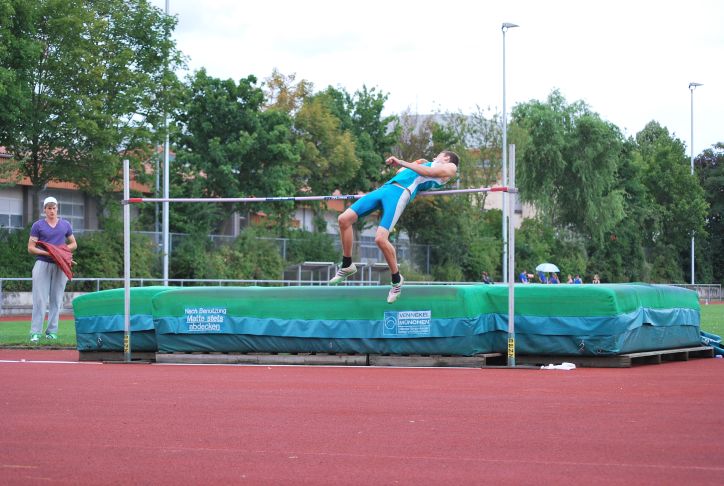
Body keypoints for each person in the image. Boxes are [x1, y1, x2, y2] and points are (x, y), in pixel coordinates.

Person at [329, 151, 459, 303]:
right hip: (385, 188)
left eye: (439, 155)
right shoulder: (425, 163)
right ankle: (347, 264)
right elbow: (400, 172)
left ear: (447, 158)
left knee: (380, 239)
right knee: (344, 219)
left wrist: (403, 162)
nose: (435, 156)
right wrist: (416, 161)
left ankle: (396, 280)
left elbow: (429, 172)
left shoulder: (451, 167)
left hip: (400, 194)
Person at [27, 197, 77, 342]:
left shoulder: (65, 224)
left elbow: (73, 244)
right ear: (44, 210)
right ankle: (35, 332)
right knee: (40, 299)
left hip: (61, 265)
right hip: (42, 263)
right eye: (49, 208)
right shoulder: (37, 225)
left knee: (56, 299)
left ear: (57, 208)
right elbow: (31, 248)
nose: (52, 211)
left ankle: (52, 332)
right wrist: (49, 253)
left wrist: (60, 251)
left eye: (54, 208)